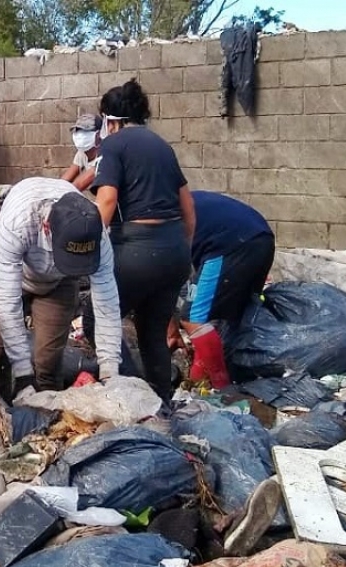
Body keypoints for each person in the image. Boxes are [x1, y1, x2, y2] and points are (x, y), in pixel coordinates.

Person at [85, 79, 195, 401]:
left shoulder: (114, 146)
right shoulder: (162, 146)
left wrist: (88, 250)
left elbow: (106, 202)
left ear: (111, 120)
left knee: (95, 318)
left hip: (135, 248)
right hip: (174, 250)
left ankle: (135, 395)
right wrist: (179, 254)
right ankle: (162, 403)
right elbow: (189, 211)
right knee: (151, 332)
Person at [0, 177, 123, 401]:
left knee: (48, 363)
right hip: (10, 271)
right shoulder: (20, 221)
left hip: (59, 282)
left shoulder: (97, 236)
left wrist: (110, 371)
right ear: (47, 227)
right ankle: (1, 414)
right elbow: (7, 301)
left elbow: (107, 302)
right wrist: (22, 375)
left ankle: (47, 422)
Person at [169, 191, 276, 388]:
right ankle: (201, 379)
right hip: (262, 239)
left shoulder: (151, 219)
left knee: (192, 318)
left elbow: (161, 286)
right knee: (230, 317)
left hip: (229, 244)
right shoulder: (172, 201)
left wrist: (172, 331)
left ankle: (222, 388)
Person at [60, 114, 102, 193]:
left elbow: (79, 185)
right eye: (78, 131)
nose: (80, 135)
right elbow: (65, 180)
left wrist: (61, 193)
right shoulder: (82, 153)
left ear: (98, 135)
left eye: (86, 131)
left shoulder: (105, 153)